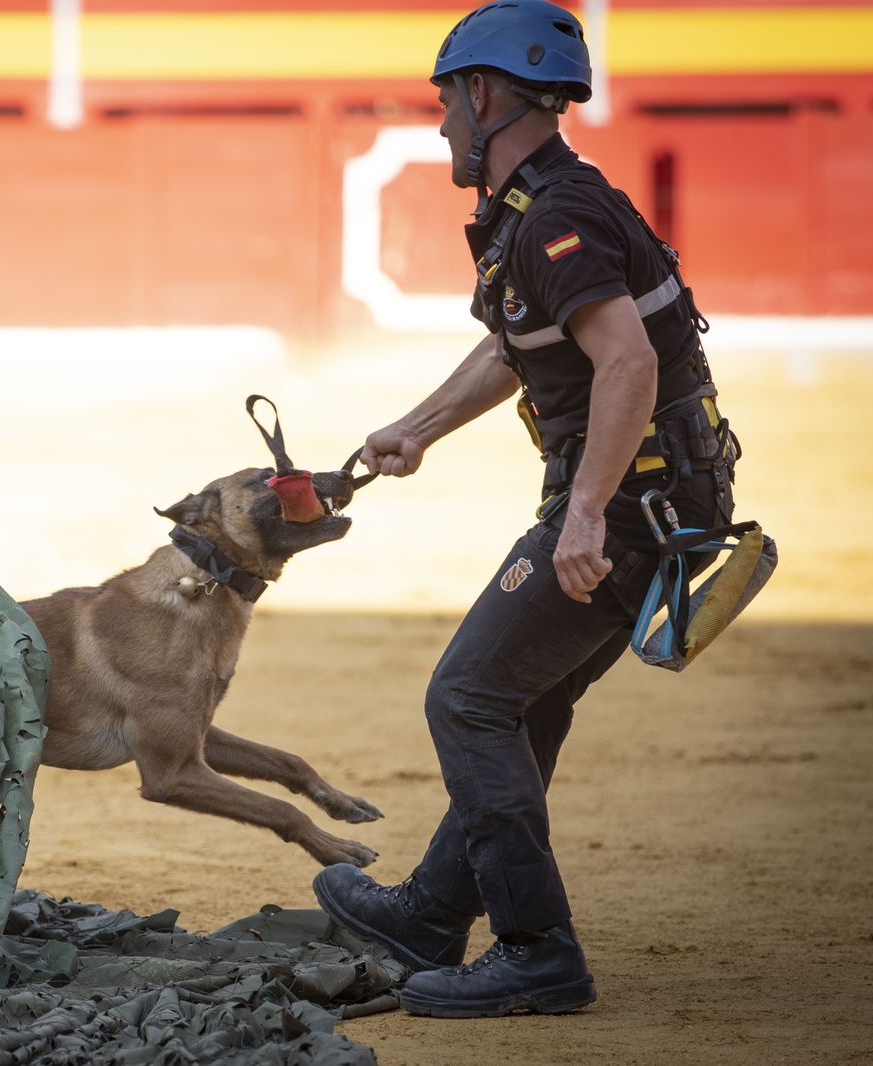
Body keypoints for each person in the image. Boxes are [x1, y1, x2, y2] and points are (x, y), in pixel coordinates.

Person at [312, 0, 740, 1018]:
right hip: (658, 496)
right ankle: (429, 909)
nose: (442, 125)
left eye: (446, 102)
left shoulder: (552, 217)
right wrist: (417, 426)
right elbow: (518, 348)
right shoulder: (544, 206)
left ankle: (536, 948)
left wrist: (585, 513)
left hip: (630, 507)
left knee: (466, 696)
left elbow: (625, 359)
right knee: (524, 697)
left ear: (483, 93)